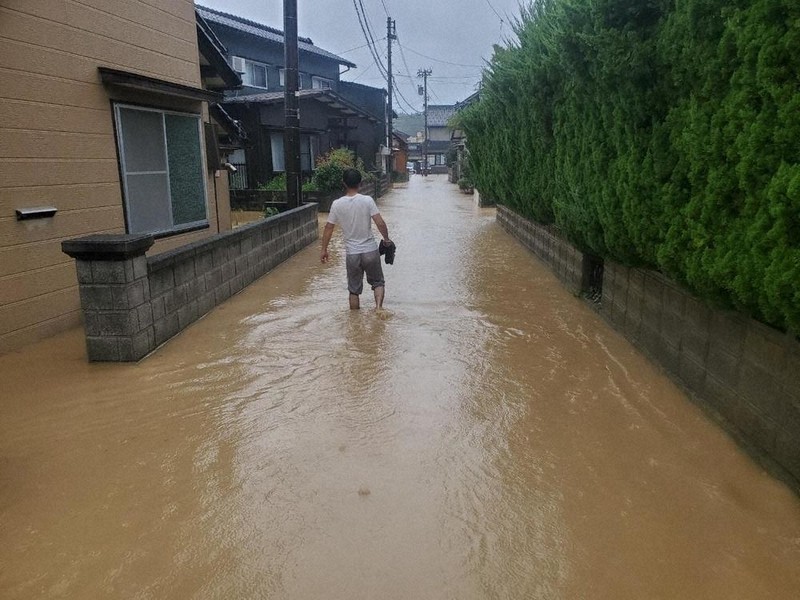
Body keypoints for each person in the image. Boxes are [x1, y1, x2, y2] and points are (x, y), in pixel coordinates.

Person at [320, 168, 391, 310]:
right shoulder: (367, 201)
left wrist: (324, 249)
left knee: (353, 290)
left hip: (352, 253)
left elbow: (328, 228)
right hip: (370, 250)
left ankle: (354, 320)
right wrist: (386, 239)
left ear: (343, 183)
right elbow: (380, 222)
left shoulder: (337, 204)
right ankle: (378, 309)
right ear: (360, 183)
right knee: (378, 282)